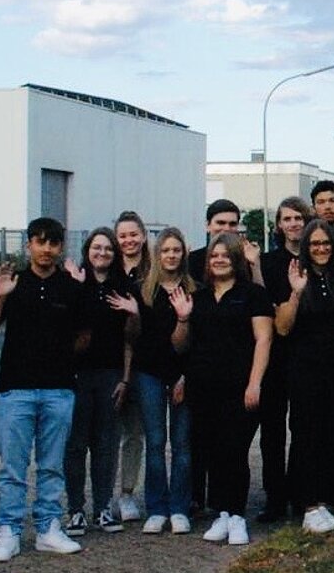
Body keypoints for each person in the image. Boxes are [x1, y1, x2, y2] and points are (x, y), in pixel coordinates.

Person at [0, 218, 87, 562]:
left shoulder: (70, 287)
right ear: (28, 245)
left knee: (52, 465)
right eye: (39, 242)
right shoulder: (12, 282)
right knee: (13, 467)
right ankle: (7, 532)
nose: (46, 250)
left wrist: (61, 358)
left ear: (60, 247)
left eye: (53, 243)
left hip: (59, 390)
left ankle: (48, 528)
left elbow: (85, 334)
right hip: (15, 391)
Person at [182, 232, 275, 545]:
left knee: (235, 450)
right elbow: (189, 344)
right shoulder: (200, 297)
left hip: (240, 386)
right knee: (213, 452)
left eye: (224, 255)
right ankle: (221, 513)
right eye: (213, 255)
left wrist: (254, 382)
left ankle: (237, 516)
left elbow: (264, 339)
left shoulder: (253, 295)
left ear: (236, 259)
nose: (218, 260)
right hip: (204, 386)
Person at [275, 219, 334, 533]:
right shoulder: (295, 277)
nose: (321, 249)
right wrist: (296, 294)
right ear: (306, 248)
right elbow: (282, 328)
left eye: (326, 243)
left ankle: (323, 500)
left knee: (330, 433)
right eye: (314, 244)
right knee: (305, 435)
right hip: (304, 367)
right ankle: (307, 505)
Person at [62, 228, 135, 537]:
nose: (102, 253)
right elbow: (65, 327)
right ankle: (76, 509)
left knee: (106, 445)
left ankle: (103, 507)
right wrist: (77, 289)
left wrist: (126, 378)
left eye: (107, 248)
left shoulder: (123, 286)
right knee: (76, 446)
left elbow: (131, 340)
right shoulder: (74, 281)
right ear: (88, 250)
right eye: (96, 247)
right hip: (78, 376)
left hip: (110, 374)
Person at [127, 227, 196, 535]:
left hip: (184, 375)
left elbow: (195, 343)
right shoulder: (142, 290)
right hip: (149, 374)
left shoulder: (196, 290)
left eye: (176, 250)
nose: (171, 255)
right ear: (157, 254)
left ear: (183, 254)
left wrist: (185, 376)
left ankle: (180, 507)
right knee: (155, 443)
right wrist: (132, 315)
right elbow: (133, 338)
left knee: (181, 445)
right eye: (166, 250)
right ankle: (156, 507)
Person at [254, 197, 311, 523]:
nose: (293, 224)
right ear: (279, 225)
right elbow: (266, 305)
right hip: (276, 355)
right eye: (287, 218)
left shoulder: (316, 255)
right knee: (272, 432)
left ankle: (300, 493)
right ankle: (274, 498)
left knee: (303, 428)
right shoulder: (268, 261)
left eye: (299, 217)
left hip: (306, 354)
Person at [109, 211, 149, 524]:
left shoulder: (153, 270)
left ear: (144, 235)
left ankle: (127, 492)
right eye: (122, 235)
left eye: (133, 234)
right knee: (107, 433)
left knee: (135, 433)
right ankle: (100, 496)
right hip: (108, 361)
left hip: (143, 362)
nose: (128, 240)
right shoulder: (106, 269)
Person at [188, 199, 261, 285]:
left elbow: (260, 295)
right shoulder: (192, 260)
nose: (227, 228)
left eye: (232, 224)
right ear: (208, 225)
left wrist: (255, 265)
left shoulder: (248, 259)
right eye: (221, 223)